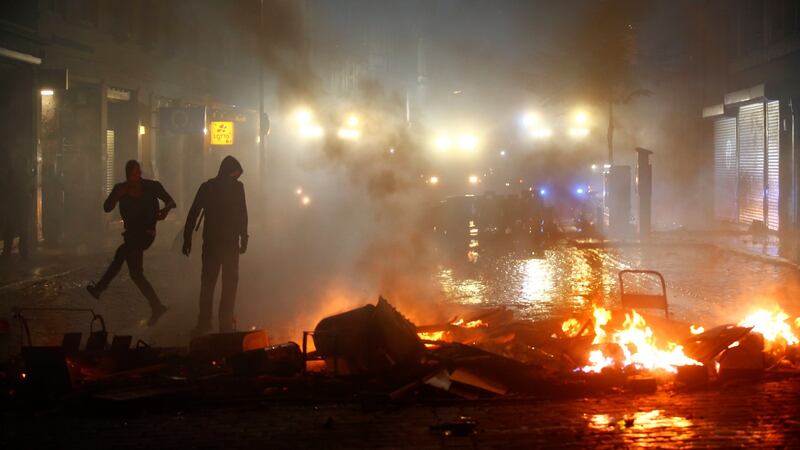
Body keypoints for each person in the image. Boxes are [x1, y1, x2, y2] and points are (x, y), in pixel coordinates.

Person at [86, 160, 175, 326]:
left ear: (140, 173)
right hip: (131, 235)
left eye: (136, 173)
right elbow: (107, 207)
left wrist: (165, 210)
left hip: (146, 233)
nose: (134, 178)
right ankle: (157, 306)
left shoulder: (151, 186)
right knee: (136, 274)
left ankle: (100, 288)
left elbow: (171, 201)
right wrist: (117, 195)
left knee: (121, 252)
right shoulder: (121, 189)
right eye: (130, 175)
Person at [182, 156, 248, 336]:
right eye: (235, 174)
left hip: (213, 244)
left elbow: (193, 213)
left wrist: (187, 237)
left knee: (208, 285)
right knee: (228, 286)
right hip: (228, 244)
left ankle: (205, 323)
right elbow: (242, 214)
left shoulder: (208, 187)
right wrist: (244, 237)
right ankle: (224, 324)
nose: (235, 178)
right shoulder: (236, 187)